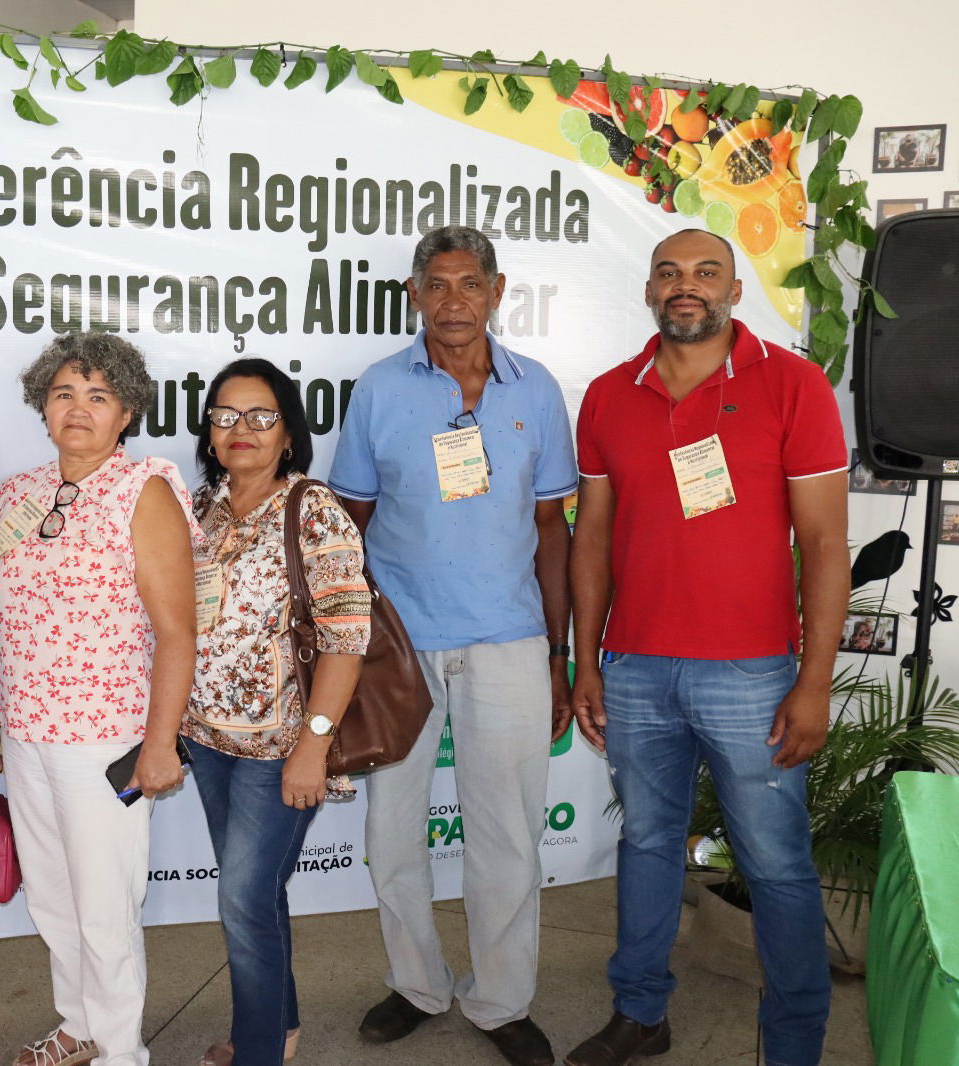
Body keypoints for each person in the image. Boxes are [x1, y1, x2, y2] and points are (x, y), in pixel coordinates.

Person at [565, 228, 848, 1066]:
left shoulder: (792, 385)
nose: (685, 286)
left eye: (705, 273)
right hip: (637, 667)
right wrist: (587, 661)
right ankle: (641, 1012)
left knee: (776, 863)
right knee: (647, 843)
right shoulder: (611, 395)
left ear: (732, 289)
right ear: (649, 290)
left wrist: (814, 684)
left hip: (753, 674)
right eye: (669, 273)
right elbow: (592, 540)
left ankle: (794, 1039)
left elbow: (826, 547)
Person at [328, 225, 577, 1066]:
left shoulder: (536, 391)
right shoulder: (379, 390)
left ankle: (502, 1000)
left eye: (470, 285)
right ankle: (417, 985)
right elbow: (346, 523)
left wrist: (557, 649)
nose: (453, 303)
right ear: (413, 295)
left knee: (507, 832)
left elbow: (553, 529)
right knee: (392, 832)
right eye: (436, 285)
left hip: (509, 640)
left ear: (497, 292)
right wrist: (342, 641)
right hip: (397, 645)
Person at [0, 332, 199, 1066]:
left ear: (126, 412)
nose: (79, 408)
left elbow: (177, 631)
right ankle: (79, 1026)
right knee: (53, 899)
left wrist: (161, 744)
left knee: (105, 908)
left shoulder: (146, 491)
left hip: (106, 742)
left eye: (99, 396)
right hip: (26, 733)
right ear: (43, 404)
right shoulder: (12, 496)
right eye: (65, 392)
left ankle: (121, 1051)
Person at [184, 358, 371, 1066]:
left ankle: (257, 1051)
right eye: (225, 416)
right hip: (207, 742)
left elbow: (347, 635)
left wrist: (314, 748)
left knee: (242, 900)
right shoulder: (202, 505)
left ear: (287, 434)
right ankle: (279, 1026)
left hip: (282, 748)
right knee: (257, 897)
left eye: (261, 417)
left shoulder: (312, 508)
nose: (241, 430)